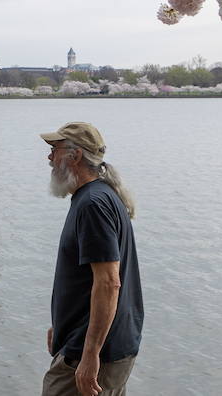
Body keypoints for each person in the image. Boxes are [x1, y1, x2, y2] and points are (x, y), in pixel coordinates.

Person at [41, 121, 143, 396]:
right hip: (97, 344)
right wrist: (61, 324)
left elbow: (110, 283)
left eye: (54, 150)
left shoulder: (93, 205)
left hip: (95, 353)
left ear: (75, 156)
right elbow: (86, 279)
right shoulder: (97, 197)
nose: (49, 158)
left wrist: (90, 355)